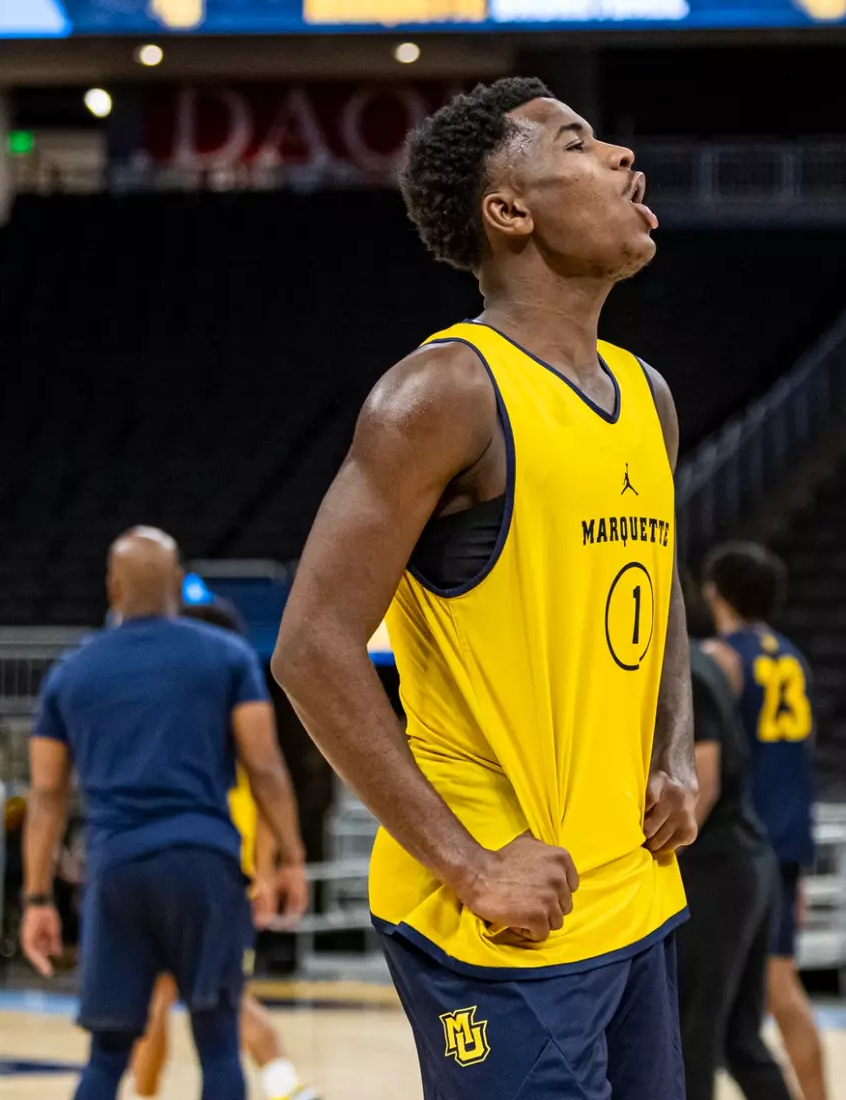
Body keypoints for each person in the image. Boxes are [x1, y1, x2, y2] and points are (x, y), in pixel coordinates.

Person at [271, 77, 698, 1100]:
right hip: (500, 922)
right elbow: (310, 647)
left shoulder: (647, 394)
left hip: (630, 898)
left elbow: (658, 582)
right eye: (578, 145)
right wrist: (470, 865)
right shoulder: (442, 393)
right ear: (509, 211)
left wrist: (675, 747)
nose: (621, 158)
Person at [20, 527, 309, 1100]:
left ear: (112, 587)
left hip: (116, 871)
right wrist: (291, 859)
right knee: (219, 1042)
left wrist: (36, 898)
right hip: (204, 866)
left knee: (107, 1055)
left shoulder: (70, 673)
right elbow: (265, 765)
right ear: (178, 584)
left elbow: (46, 795)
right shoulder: (228, 657)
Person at [129, 599, 319, 1100]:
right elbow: (268, 790)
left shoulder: (172, 713)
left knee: (171, 995)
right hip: (223, 877)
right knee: (214, 994)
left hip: (186, 870)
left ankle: (282, 1083)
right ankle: (286, 1083)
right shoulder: (240, 709)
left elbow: (263, 788)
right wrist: (268, 871)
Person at [701, 542, 829, 1100]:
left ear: (718, 594)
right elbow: (802, 757)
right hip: (788, 838)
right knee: (765, 997)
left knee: (775, 990)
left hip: (745, 840)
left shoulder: (723, 659)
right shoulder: (793, 659)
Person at [677, 574, 795, 1100]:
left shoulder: (688, 670)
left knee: (692, 1033)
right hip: (747, 863)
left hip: (717, 867)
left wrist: (659, 855)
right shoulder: (707, 662)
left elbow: (703, 783)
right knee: (738, 1039)